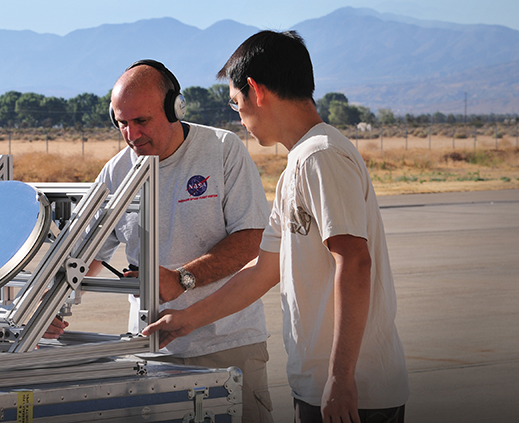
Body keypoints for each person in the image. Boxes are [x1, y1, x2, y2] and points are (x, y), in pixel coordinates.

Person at [142, 31, 410, 423]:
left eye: (236, 103)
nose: (240, 117)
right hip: (320, 387)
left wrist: (340, 377)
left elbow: (354, 262)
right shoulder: (299, 164)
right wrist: (186, 320)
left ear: (255, 90)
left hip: (354, 394)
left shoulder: (321, 157)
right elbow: (264, 270)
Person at [48, 59, 274, 423]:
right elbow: (85, 255)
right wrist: (51, 307)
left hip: (227, 346)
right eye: (122, 123)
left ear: (174, 108)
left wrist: (182, 279)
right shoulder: (116, 172)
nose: (131, 135)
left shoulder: (221, 150)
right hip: (151, 352)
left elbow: (250, 239)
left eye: (141, 121)